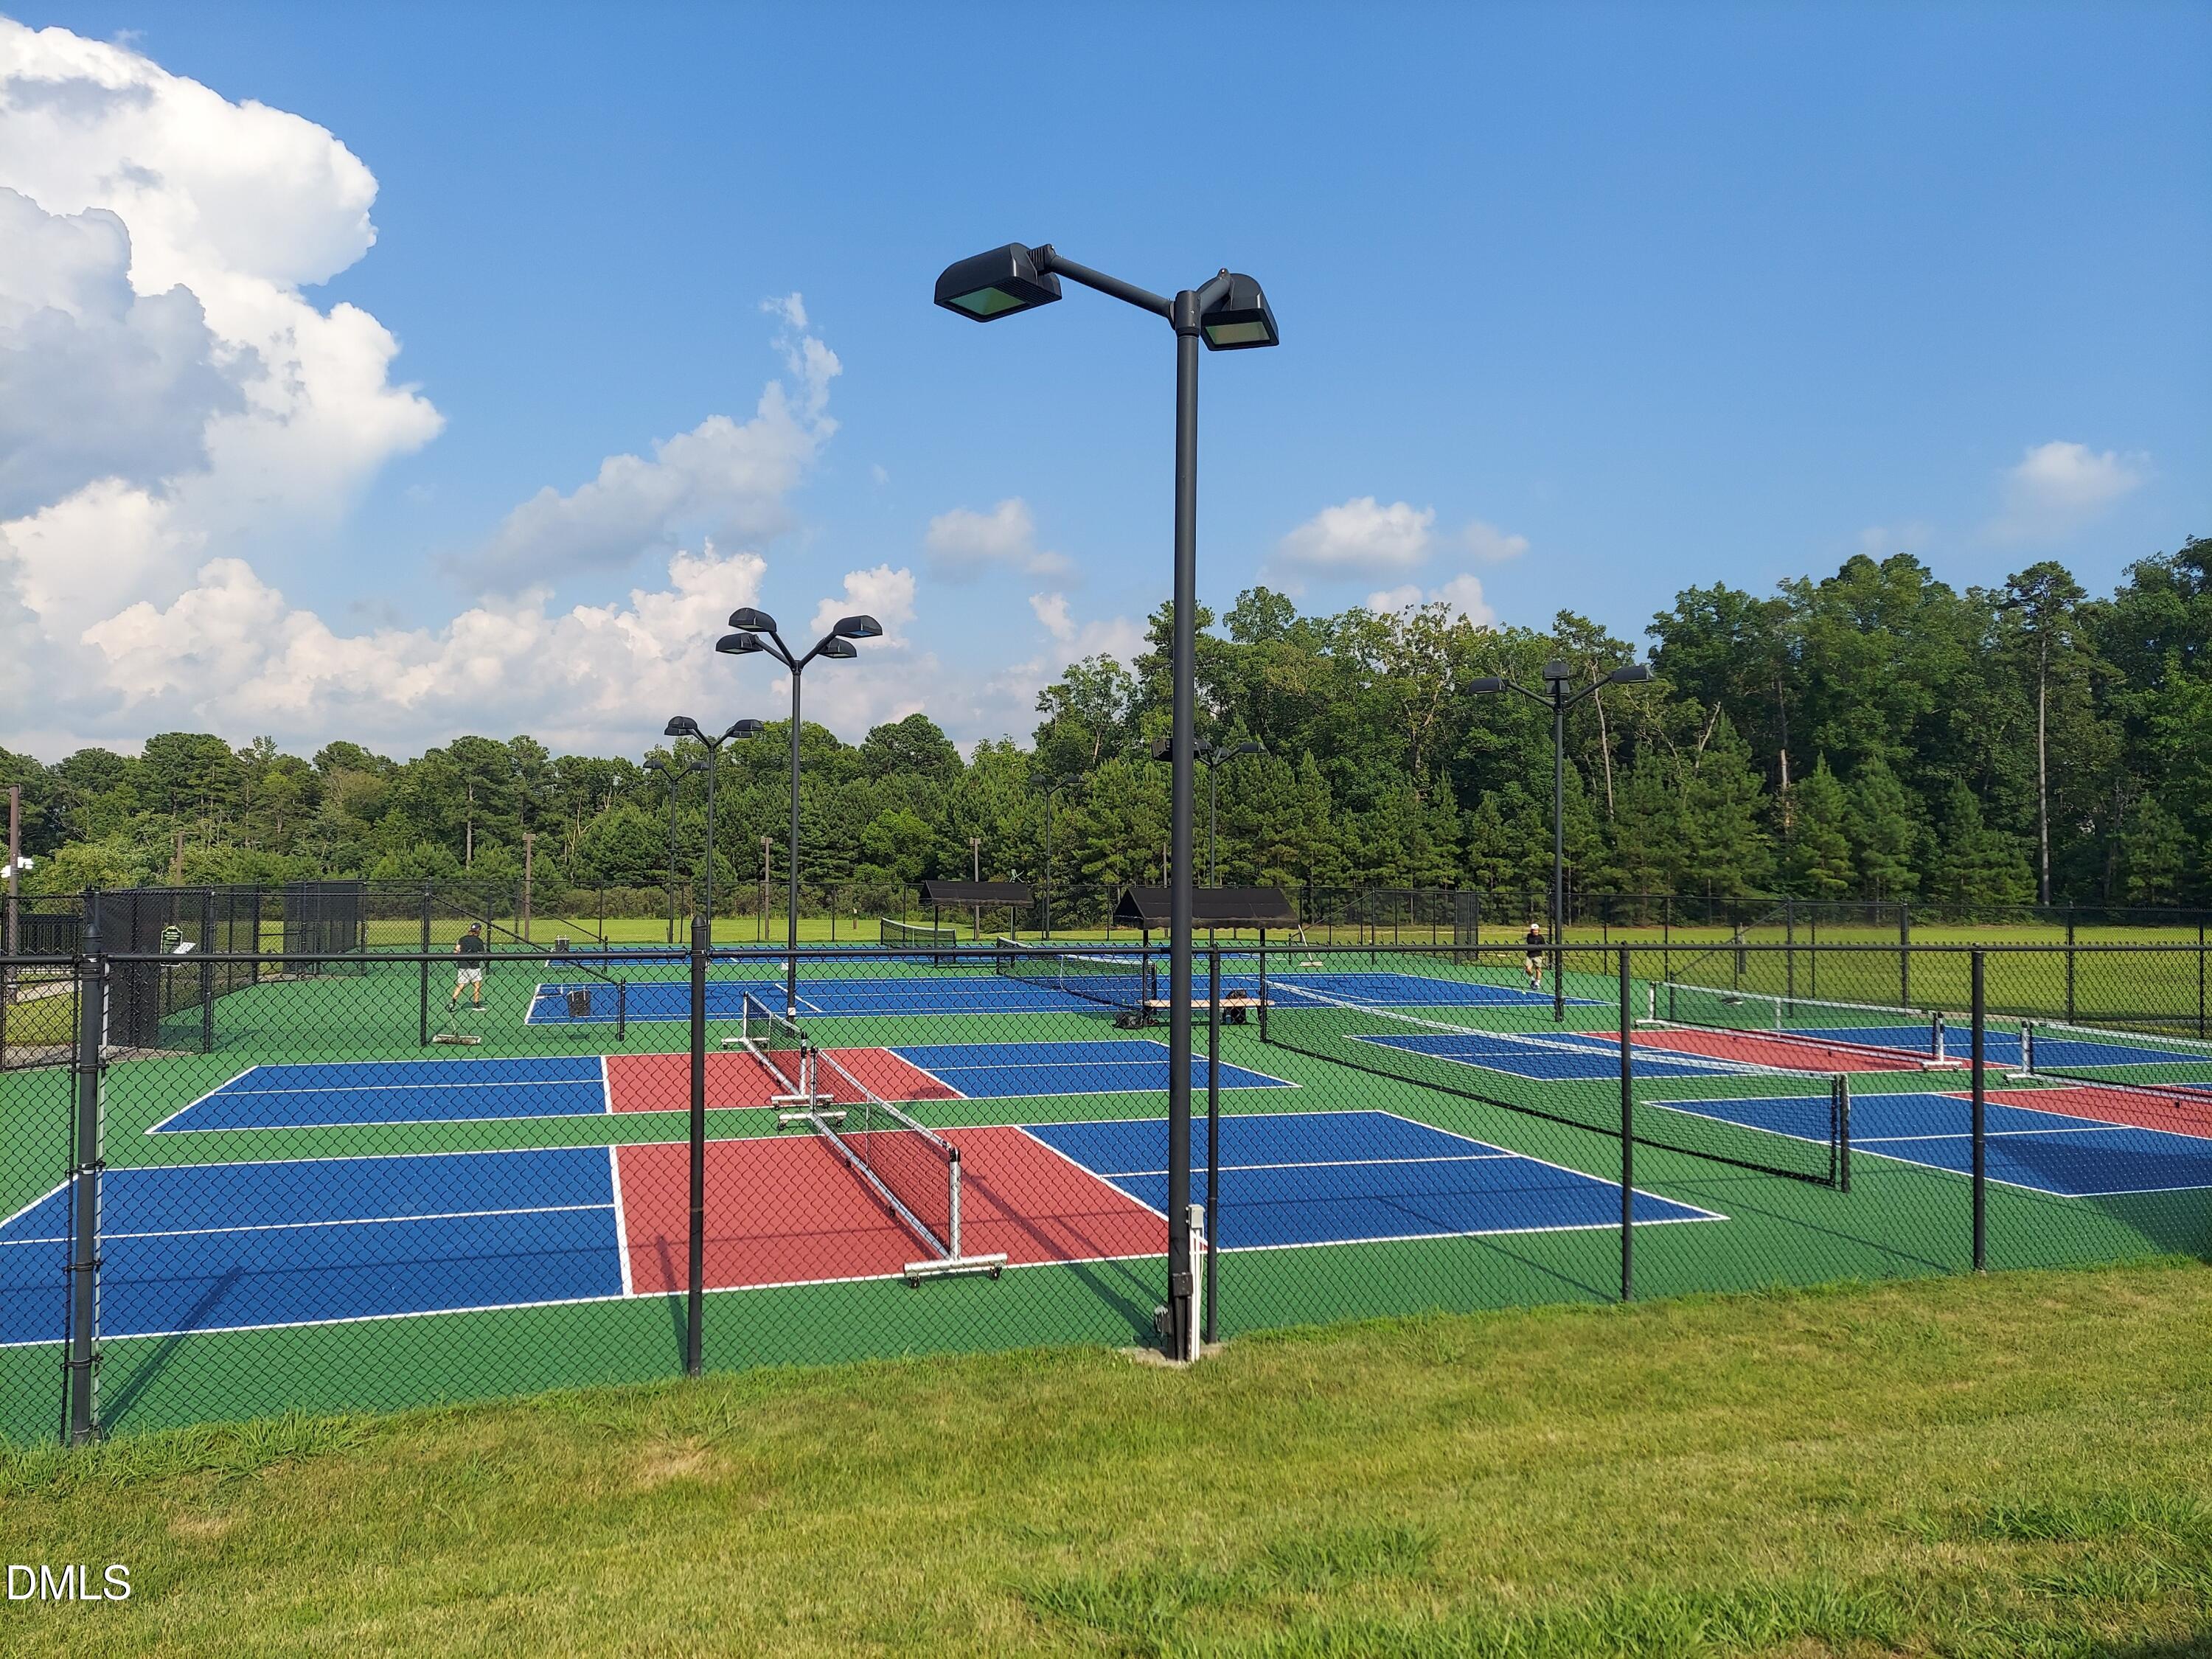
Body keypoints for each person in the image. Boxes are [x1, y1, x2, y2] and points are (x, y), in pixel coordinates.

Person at [451, 922, 488, 1010]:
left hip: (462, 965)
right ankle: (476, 1004)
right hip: (474, 967)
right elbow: (482, 953)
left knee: (461, 985)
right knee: (477, 985)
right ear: (478, 930)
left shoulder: (462, 939)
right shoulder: (479, 941)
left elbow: (456, 951)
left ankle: (452, 1003)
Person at [1522, 919, 1545, 992]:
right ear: (1531, 931)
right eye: (1534, 930)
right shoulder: (1529, 936)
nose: (1536, 932)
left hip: (1538, 955)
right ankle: (1533, 979)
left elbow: (1544, 945)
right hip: (1529, 955)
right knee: (1528, 969)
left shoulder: (1540, 937)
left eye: (1537, 930)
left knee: (1538, 969)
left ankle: (1537, 983)